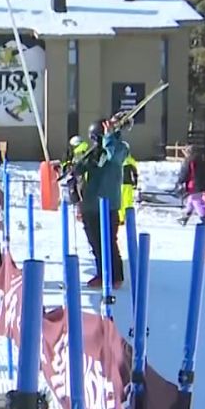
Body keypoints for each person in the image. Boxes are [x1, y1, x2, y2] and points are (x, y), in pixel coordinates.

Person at [75, 118, 130, 288]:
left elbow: (114, 156)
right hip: (91, 203)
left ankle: (116, 276)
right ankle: (102, 273)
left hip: (108, 204)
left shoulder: (119, 148)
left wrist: (109, 137)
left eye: (96, 137)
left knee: (108, 241)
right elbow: (80, 167)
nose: (95, 141)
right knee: (95, 243)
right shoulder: (94, 152)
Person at [177, 144, 205, 226]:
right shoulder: (202, 160)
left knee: (196, 201)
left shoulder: (188, 160)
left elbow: (185, 173)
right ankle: (186, 216)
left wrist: (180, 181)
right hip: (201, 183)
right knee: (191, 200)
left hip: (193, 184)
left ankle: (204, 218)